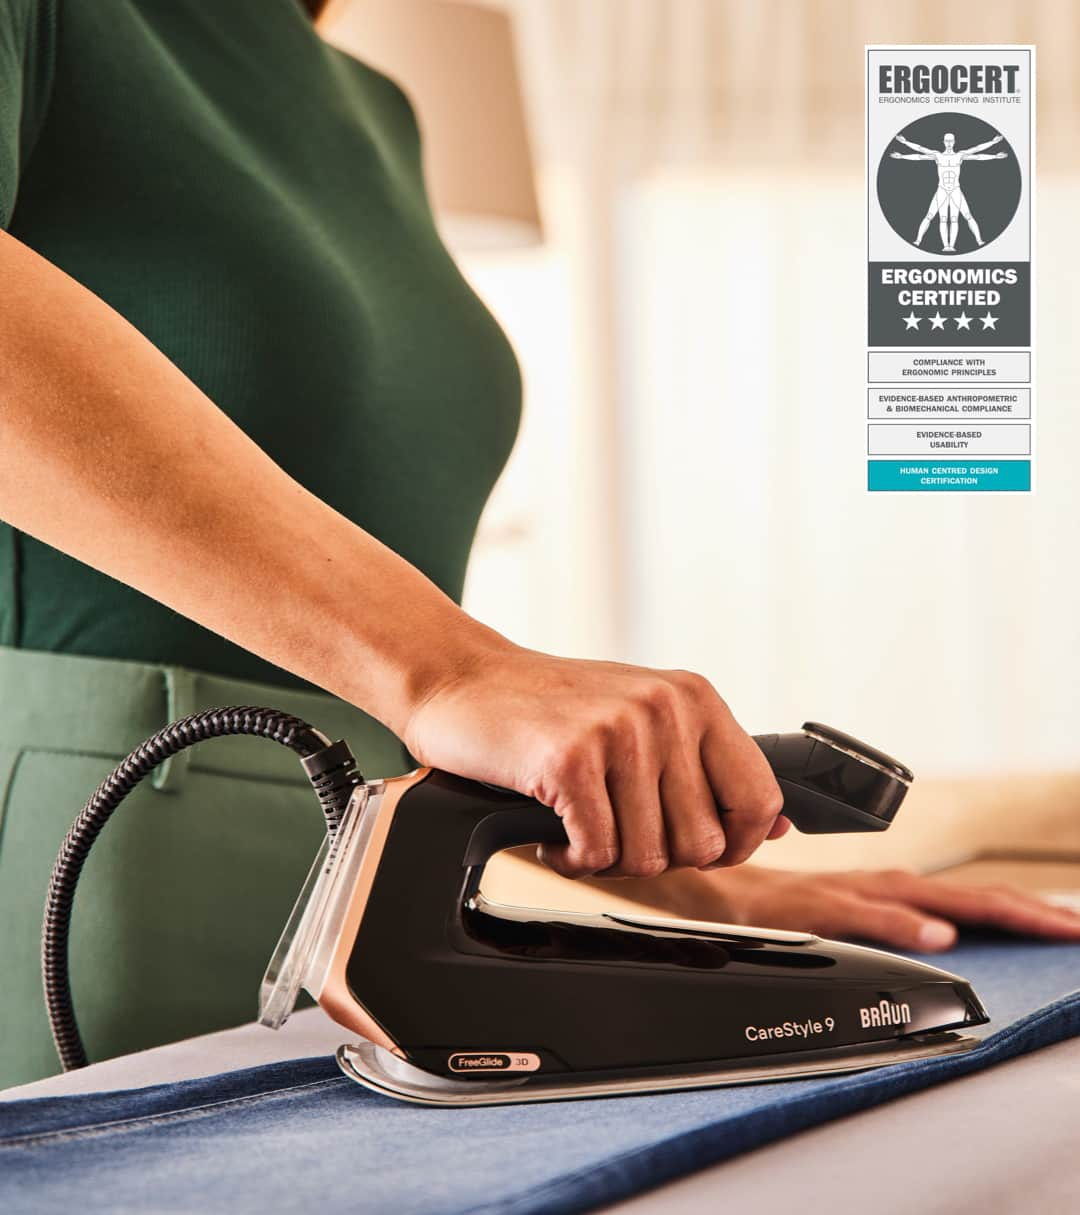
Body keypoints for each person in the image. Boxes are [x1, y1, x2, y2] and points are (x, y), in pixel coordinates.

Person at [0, 0, 1076, 1090]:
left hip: (362, 889)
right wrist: (449, 665)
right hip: (93, 878)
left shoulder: (371, 106)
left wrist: (692, 889)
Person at [890, 131, 1009, 252]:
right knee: (933, 217)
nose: (949, 143)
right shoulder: (937, 155)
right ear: (943, 142)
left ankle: (975, 242)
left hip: (955, 190)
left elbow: (977, 152)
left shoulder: (960, 155)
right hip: (941, 189)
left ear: (954, 142)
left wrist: (994, 150)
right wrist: (903, 150)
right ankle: (920, 241)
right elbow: (920, 152)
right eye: (947, 140)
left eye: (951, 140)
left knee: (960, 217)